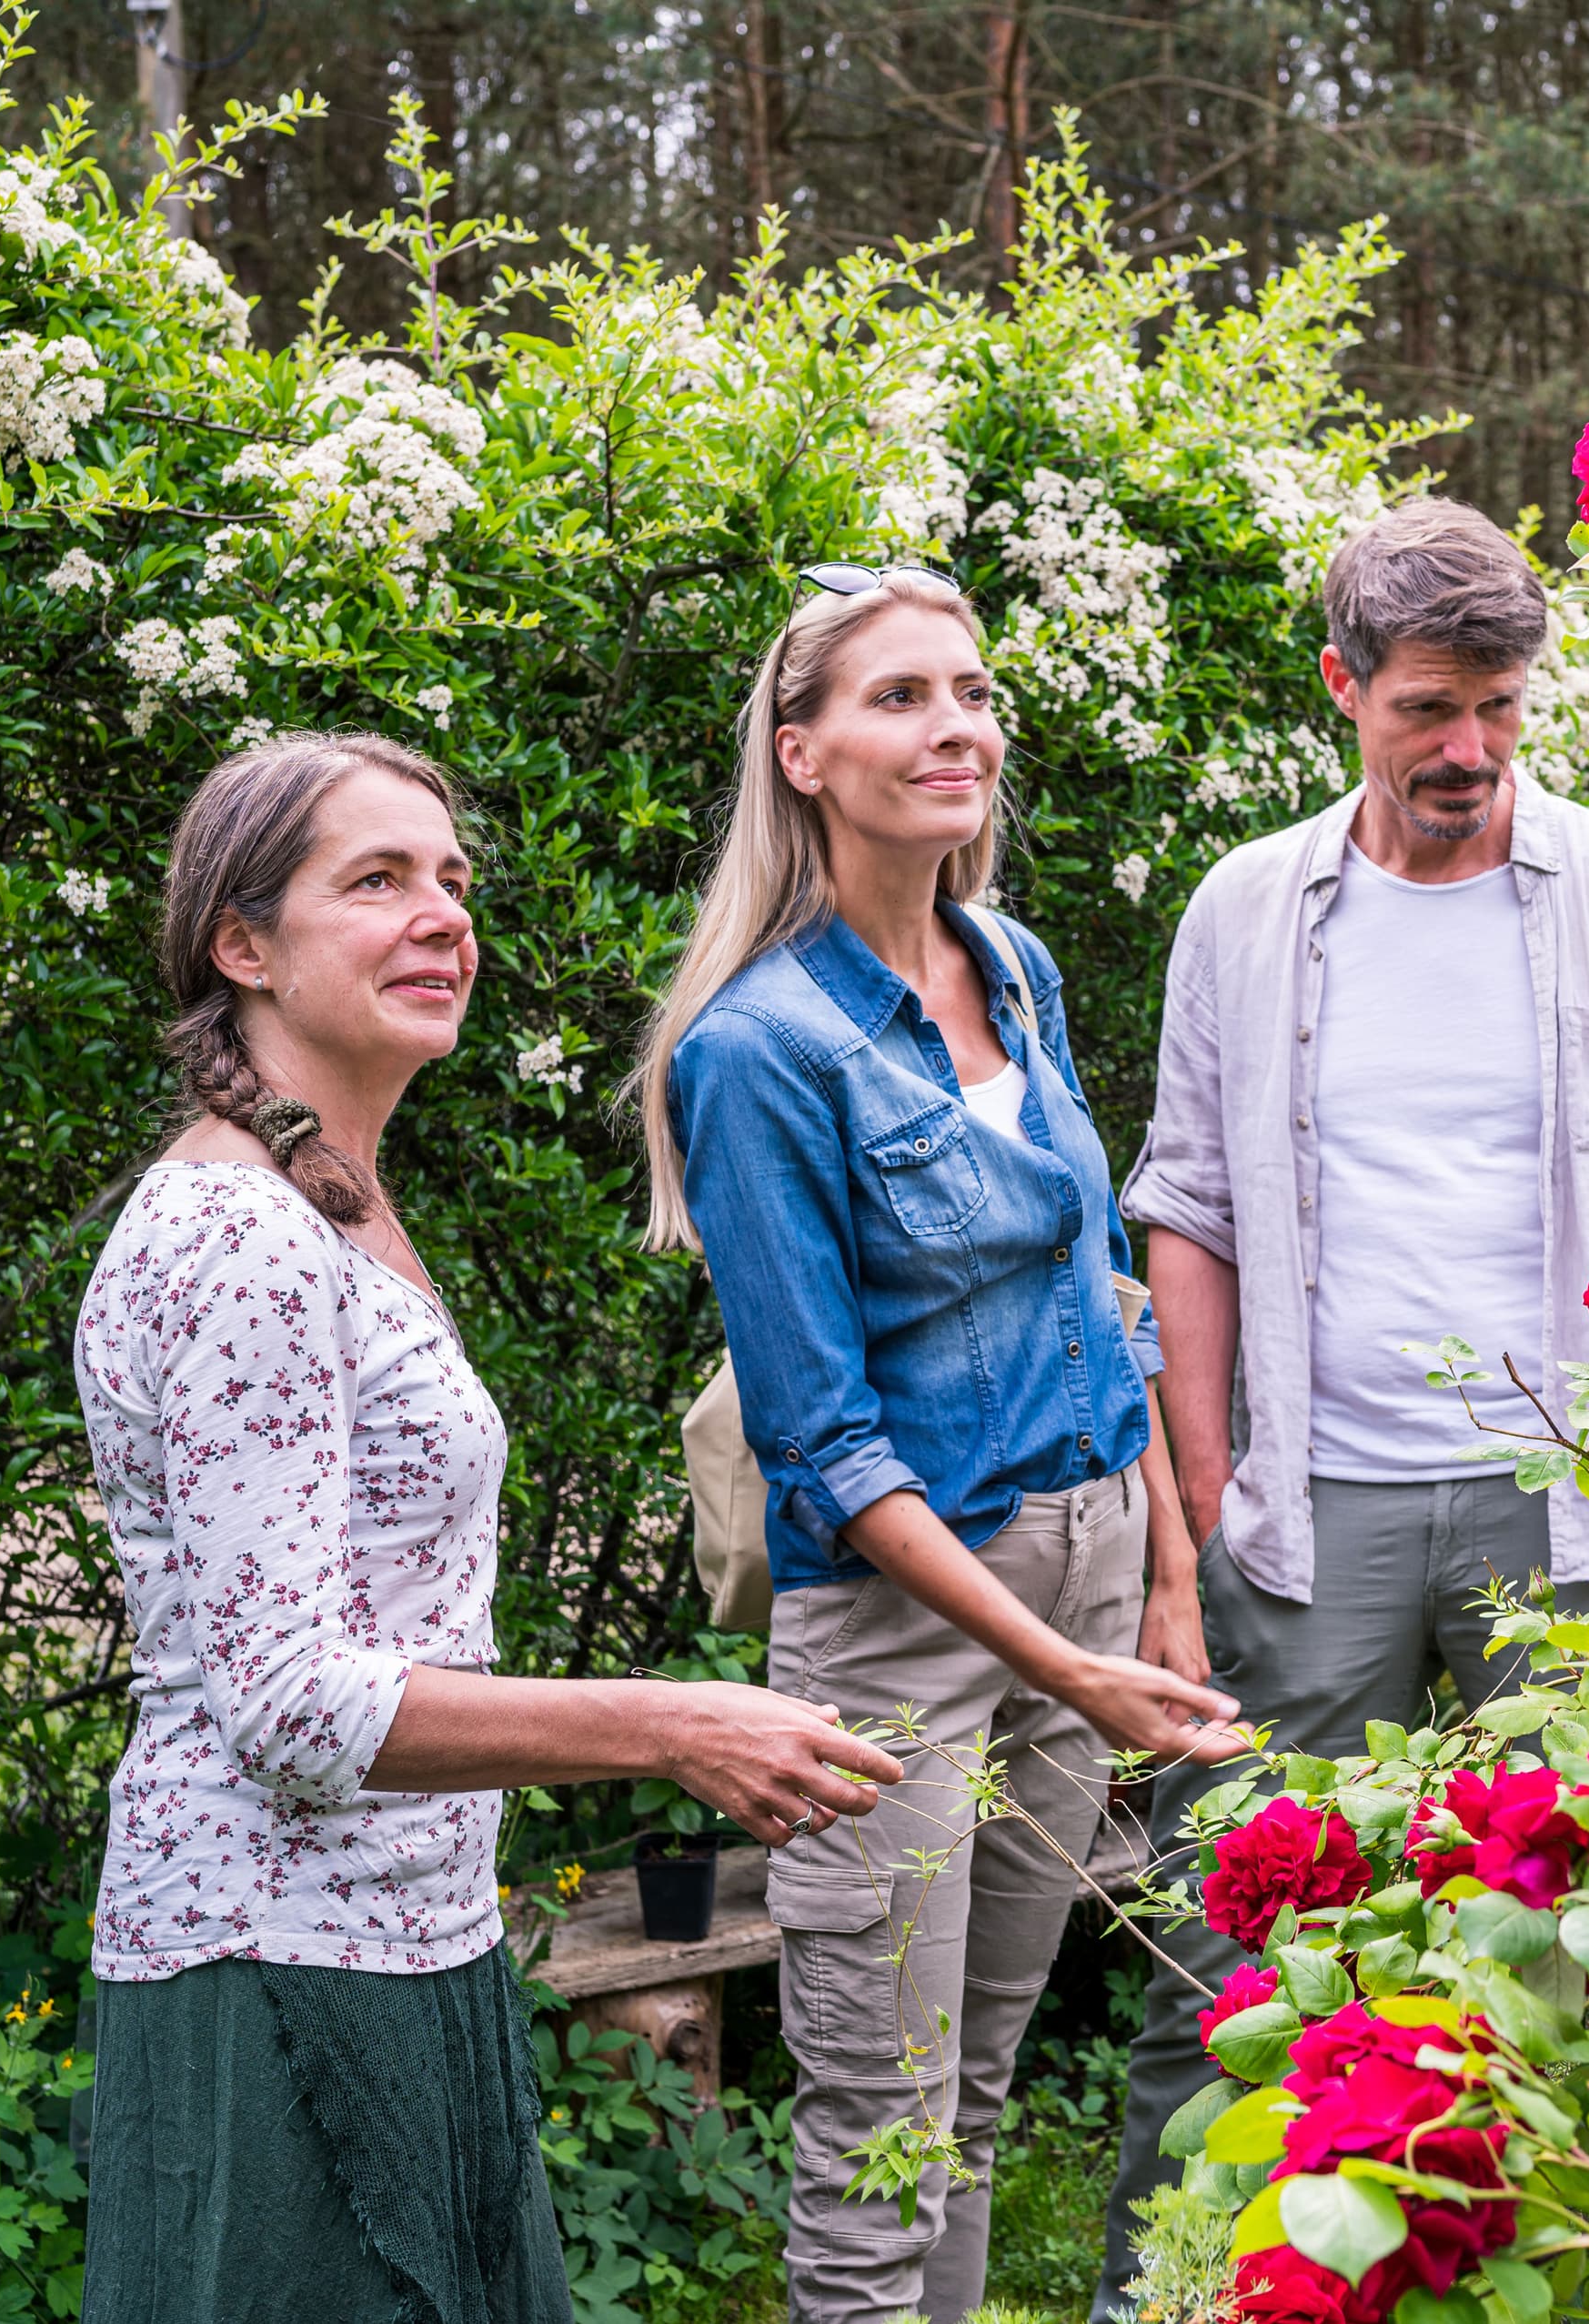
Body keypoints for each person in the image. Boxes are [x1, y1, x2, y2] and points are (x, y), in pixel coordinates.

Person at [74, 732, 904, 2324]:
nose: (443, 915)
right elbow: (290, 1700)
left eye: (451, 880)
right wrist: (665, 1726)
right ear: (241, 946)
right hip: (275, 1966)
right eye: (376, 881)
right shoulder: (240, 1238)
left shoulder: (326, 1194)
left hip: (403, 1939)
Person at [1100, 499, 1589, 2302]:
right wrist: (1207, 1482)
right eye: (1426, 707)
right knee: (1247, 1955)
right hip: (1312, 1515)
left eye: (1498, 702)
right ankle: (1190, 2291)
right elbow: (1187, 1202)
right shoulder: (1249, 912)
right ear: (1344, 687)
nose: (1468, 749)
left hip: (1587, 1524)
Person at [635, 566, 1252, 2324]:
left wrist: (1166, 1589)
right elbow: (824, 1445)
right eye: (899, 696)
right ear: (803, 750)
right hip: (906, 1638)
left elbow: (1097, 1289)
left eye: (971, 692)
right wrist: (1066, 1652)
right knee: (878, 2132)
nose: (955, 726)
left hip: (1084, 1586)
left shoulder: (1016, 968)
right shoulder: (760, 1053)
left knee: (971, 2097)